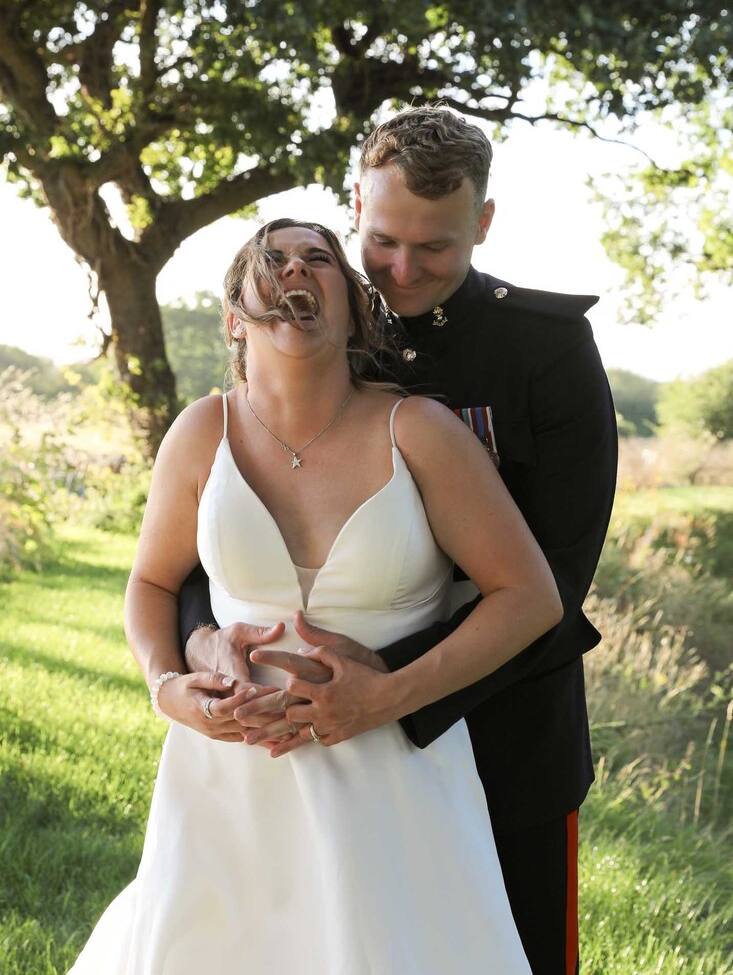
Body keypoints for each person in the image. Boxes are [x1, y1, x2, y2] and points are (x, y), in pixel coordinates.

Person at [181, 107, 618, 974]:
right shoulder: (300, 324)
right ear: (355, 208)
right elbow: (215, 532)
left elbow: (557, 580)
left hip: (504, 731)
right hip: (309, 743)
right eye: (382, 242)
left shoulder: (547, 350)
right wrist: (207, 641)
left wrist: (382, 684)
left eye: (437, 248)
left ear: (482, 225)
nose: (404, 269)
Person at [69, 218, 563, 974]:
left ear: (355, 308)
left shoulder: (419, 430)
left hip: (394, 783)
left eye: (317, 259)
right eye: (271, 259)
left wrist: (387, 695)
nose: (293, 268)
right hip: (227, 783)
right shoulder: (202, 430)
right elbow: (151, 581)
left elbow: (529, 596)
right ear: (236, 315)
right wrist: (166, 686)